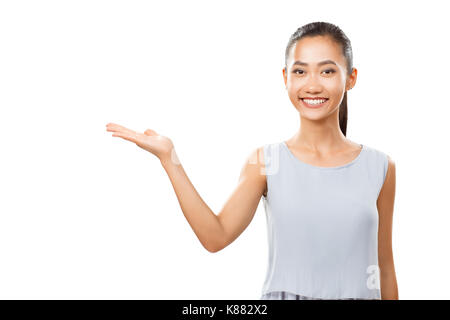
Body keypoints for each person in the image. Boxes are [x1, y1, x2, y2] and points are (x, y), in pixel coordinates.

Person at [105, 21, 398, 300]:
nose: (312, 85)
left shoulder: (380, 167)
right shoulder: (266, 162)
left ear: (351, 78)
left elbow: (384, 266)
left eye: (327, 72)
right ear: (285, 78)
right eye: (299, 72)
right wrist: (170, 159)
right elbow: (215, 236)